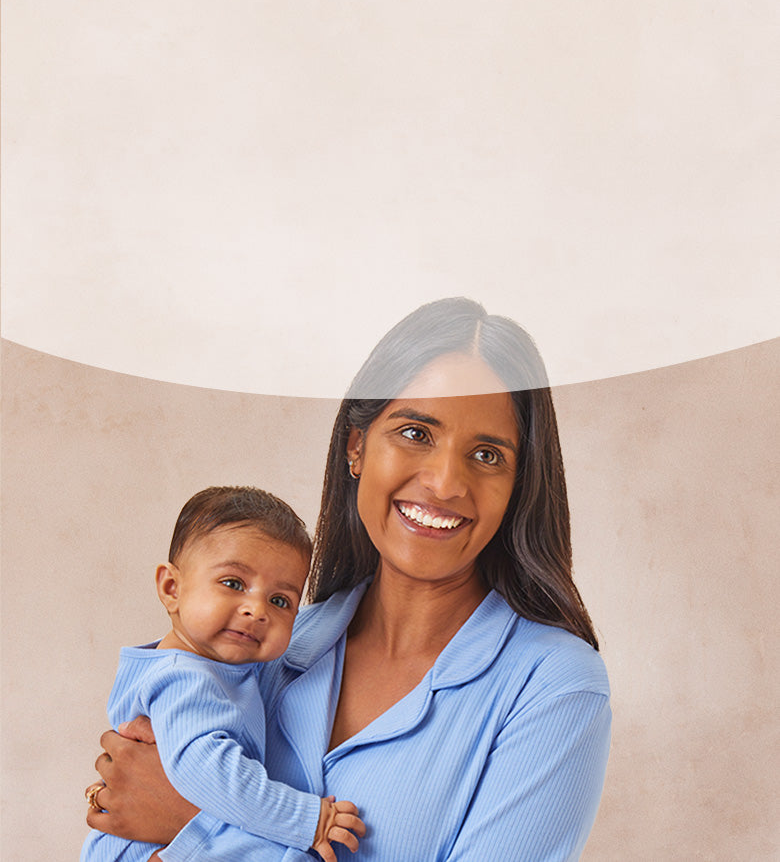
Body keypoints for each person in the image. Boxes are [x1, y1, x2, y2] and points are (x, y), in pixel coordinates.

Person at [86, 297, 612, 861]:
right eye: (415, 433)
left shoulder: (554, 686)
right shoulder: (265, 641)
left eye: (486, 454)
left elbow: (165, 805)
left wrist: (191, 822)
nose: (444, 483)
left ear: (517, 487)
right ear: (356, 446)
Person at [82, 486, 365, 862]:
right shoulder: (185, 679)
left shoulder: (223, 672)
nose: (256, 609)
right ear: (172, 588)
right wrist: (306, 819)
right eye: (233, 584)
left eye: (280, 600)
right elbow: (207, 772)